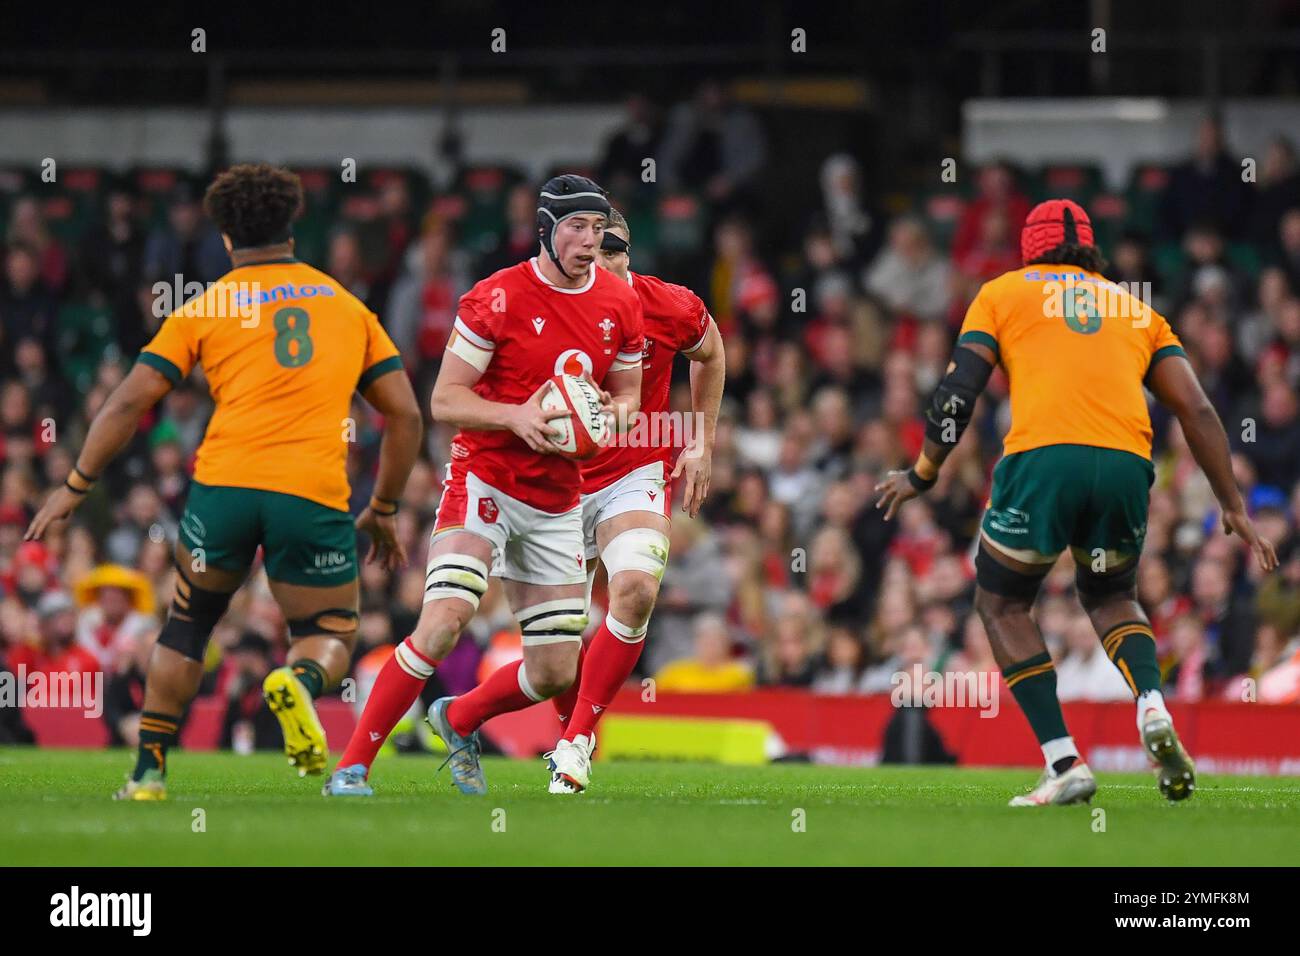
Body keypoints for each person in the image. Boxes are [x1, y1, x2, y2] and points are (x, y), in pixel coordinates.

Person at [25, 163, 423, 800]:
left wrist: (74, 485)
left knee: (187, 623)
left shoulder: (205, 306)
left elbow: (127, 402)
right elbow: (404, 414)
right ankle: (297, 681)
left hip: (224, 488)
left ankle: (149, 771)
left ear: (227, 239)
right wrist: (382, 506)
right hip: (310, 493)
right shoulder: (348, 307)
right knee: (329, 632)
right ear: (293, 228)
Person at [875, 198, 1278, 806]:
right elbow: (1195, 409)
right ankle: (1151, 705)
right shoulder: (1137, 310)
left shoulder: (1002, 293)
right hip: (1125, 464)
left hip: (1044, 459)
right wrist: (1233, 505)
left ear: (1029, 249)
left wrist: (925, 471)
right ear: (1092, 250)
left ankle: (1063, 761)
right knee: (1113, 596)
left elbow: (959, 391)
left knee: (1002, 602)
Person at [324, 175, 645, 797]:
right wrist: (517, 417)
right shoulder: (496, 298)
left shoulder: (619, 302)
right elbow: (444, 399)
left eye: (597, 229)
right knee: (444, 621)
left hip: (556, 499)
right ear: (547, 230)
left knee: (555, 670)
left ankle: (459, 715)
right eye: (575, 227)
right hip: (485, 482)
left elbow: (629, 397)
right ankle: (352, 767)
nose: (588, 240)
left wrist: (606, 417)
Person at [529, 206, 725, 793]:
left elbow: (711, 352)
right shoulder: (534, 302)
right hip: (555, 482)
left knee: (637, 588)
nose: (604, 259)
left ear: (628, 252)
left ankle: (575, 742)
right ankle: (561, 737)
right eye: (591, 247)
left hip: (633, 472)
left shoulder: (664, 304)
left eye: (615, 248)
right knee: (558, 640)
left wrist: (702, 442)